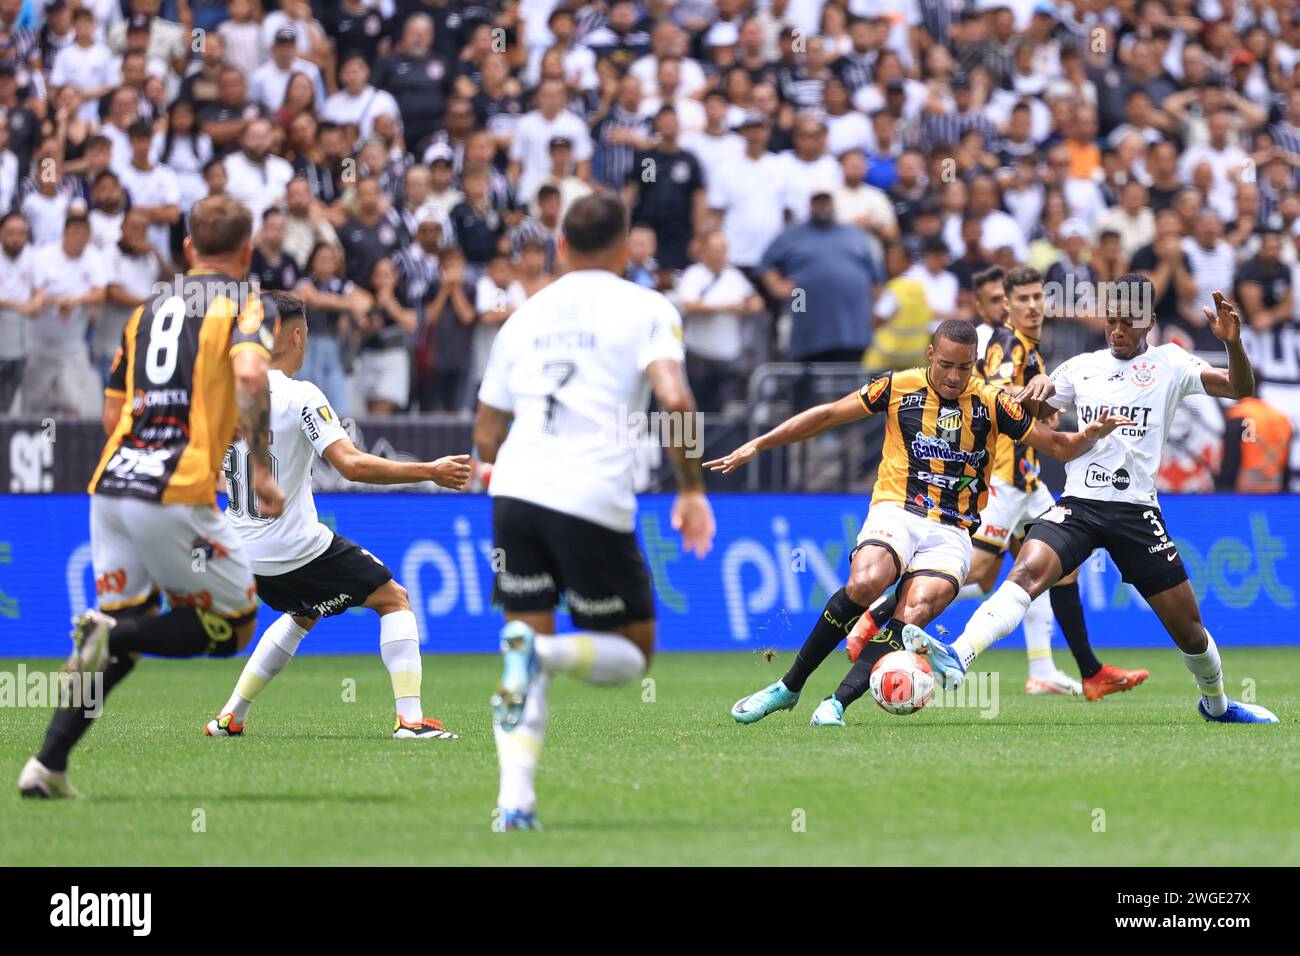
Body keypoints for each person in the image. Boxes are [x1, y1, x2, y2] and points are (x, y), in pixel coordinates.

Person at [712, 319, 1134, 727]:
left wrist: (1090, 435)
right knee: (866, 582)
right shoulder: (898, 386)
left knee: (914, 611)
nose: (954, 377)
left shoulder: (992, 401)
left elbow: (1058, 446)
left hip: (953, 530)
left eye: (965, 368)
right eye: (946, 365)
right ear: (931, 354)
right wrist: (759, 443)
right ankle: (789, 687)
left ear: (975, 363)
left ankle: (836, 703)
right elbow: (828, 415)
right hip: (899, 508)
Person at [906, 281, 1280, 725]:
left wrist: (1232, 345)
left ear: (1150, 323)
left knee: (1189, 630)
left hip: (1137, 511)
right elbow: (1030, 411)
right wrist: (1039, 389)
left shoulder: (1172, 363)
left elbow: (1240, 387)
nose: (1117, 330)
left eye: (1127, 322)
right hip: (1079, 504)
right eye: (1111, 321)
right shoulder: (1081, 368)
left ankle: (1217, 704)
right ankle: (960, 655)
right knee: (1027, 571)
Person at [18, 195, 286, 798]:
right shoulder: (245, 303)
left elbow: (113, 407)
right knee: (236, 624)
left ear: (188, 249)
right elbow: (249, 376)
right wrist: (260, 470)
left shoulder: (144, 310)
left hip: (114, 483)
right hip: (172, 485)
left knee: (128, 626)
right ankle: (111, 632)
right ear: (246, 253)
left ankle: (47, 766)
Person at [473, 194, 715, 829]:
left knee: (522, 644)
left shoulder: (522, 317)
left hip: (515, 491)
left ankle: (515, 803)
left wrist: (490, 471)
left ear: (560, 245)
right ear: (624, 244)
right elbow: (677, 398)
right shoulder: (646, 307)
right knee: (632, 652)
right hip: (588, 496)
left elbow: (487, 426)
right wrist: (690, 490)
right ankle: (541, 654)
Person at [852, 266, 1150, 700]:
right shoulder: (1010, 344)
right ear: (1007, 305)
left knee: (1056, 569)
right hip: (1005, 477)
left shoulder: (1029, 347)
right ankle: (881, 613)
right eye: (1022, 299)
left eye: (1037, 298)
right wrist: (1039, 405)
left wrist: (1043, 405)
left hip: (1026, 478)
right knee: (983, 571)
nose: (1033, 307)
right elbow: (995, 393)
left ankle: (1067, 669)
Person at [206, 292, 471, 739]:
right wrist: (428, 470)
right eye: (305, 333)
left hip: (245, 557)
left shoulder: (221, 394)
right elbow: (351, 464)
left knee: (303, 611)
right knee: (394, 599)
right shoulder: (299, 395)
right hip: (294, 549)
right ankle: (410, 721)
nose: (306, 342)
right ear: (294, 334)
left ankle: (232, 716)